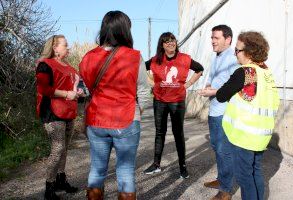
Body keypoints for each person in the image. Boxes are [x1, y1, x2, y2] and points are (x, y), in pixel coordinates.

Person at [79, 11, 150, 200]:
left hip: (96, 120)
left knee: (97, 169)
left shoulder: (88, 57)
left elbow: (86, 89)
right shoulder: (134, 57)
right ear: (125, 30)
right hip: (126, 119)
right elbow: (144, 91)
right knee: (125, 171)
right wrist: (137, 111)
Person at [214, 31, 279, 200]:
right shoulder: (266, 72)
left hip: (244, 136)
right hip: (260, 136)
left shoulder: (245, 72)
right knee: (255, 172)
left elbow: (221, 95)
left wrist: (213, 91)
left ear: (249, 53)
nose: (235, 53)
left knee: (244, 177)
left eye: (237, 50)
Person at [144, 32, 203, 179]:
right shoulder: (155, 60)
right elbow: (140, 69)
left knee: (178, 133)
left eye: (173, 41)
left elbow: (200, 68)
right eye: (167, 42)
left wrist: (188, 84)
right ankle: (156, 165)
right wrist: (152, 83)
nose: (171, 43)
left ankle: (183, 166)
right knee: (160, 132)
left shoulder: (184, 58)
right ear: (162, 45)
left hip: (177, 101)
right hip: (160, 101)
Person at [36, 35, 83, 200]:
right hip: (52, 112)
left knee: (64, 149)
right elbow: (43, 88)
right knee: (57, 150)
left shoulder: (70, 68)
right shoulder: (45, 65)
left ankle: (61, 180)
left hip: (68, 112)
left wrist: (79, 93)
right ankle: (49, 187)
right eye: (65, 45)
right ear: (55, 48)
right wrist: (66, 94)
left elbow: (76, 88)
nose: (68, 47)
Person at [198, 25, 238, 200]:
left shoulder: (233, 59)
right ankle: (222, 180)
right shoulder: (217, 56)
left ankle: (226, 191)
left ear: (228, 39)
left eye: (216, 38)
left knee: (224, 151)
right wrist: (209, 86)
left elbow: (235, 86)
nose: (212, 41)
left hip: (224, 112)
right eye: (212, 38)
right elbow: (219, 80)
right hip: (214, 110)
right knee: (216, 148)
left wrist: (213, 92)